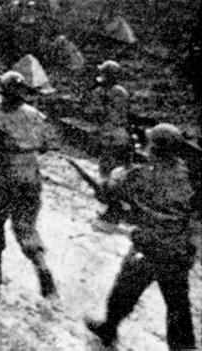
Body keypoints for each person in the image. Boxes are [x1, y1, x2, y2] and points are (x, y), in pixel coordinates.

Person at [85, 123, 199, 350]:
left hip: (148, 247)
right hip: (178, 249)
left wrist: (111, 180)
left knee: (124, 289)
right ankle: (184, 347)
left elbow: (109, 193)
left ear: (153, 149)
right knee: (178, 304)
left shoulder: (139, 175)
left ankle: (109, 328)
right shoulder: (190, 177)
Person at [0, 71, 57, 298]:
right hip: (31, 176)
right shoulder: (35, 115)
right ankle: (42, 268)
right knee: (26, 226)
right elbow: (45, 145)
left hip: (5, 176)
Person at [89, 60, 133, 223]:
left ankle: (112, 211)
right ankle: (124, 205)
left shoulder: (100, 92)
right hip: (123, 134)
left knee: (106, 174)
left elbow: (93, 112)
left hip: (108, 136)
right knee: (122, 172)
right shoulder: (122, 91)